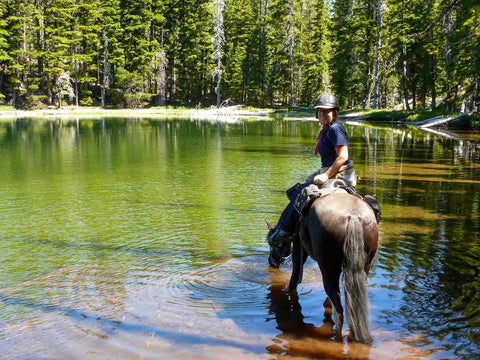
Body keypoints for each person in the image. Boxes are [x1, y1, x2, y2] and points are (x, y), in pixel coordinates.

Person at [268, 93, 356, 245]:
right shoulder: (328, 128)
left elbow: (342, 156)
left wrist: (326, 176)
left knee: (301, 195)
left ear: (335, 112)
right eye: (320, 110)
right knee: (298, 188)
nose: (322, 113)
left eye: (326, 110)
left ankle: (282, 233)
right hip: (330, 170)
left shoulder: (335, 128)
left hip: (338, 174)